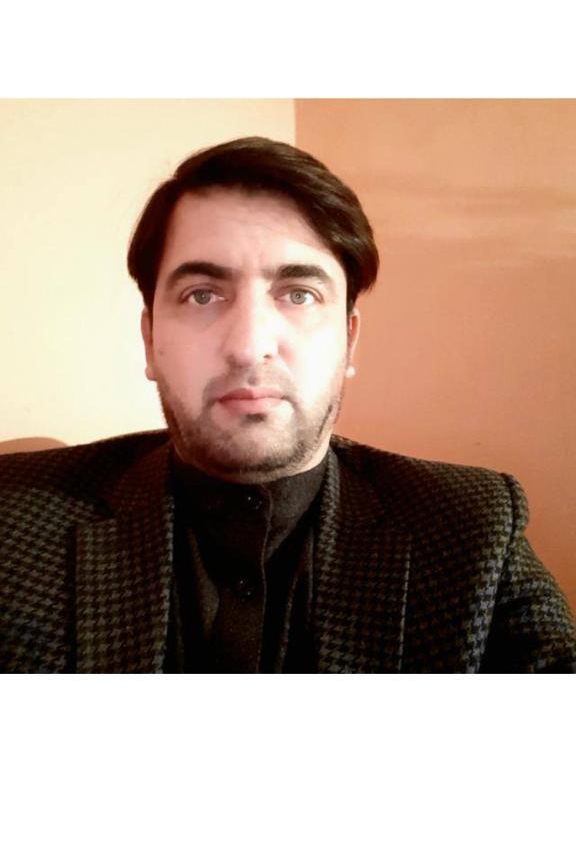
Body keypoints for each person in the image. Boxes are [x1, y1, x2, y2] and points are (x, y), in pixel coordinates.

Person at [1, 136, 575, 673]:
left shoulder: (472, 526)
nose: (249, 345)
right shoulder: (15, 518)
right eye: (202, 295)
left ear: (349, 340)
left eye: (299, 294)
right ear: (150, 341)